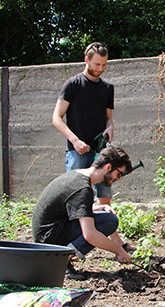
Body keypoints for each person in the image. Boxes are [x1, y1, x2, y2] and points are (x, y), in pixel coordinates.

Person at [32, 146, 134, 279]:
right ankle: (60, 261)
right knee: (109, 222)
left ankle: (61, 257)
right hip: (48, 241)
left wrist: (99, 207)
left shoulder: (77, 176)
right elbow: (90, 235)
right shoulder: (83, 189)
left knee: (107, 218)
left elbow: (72, 208)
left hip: (46, 235)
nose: (118, 179)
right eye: (119, 174)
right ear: (108, 167)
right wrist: (119, 250)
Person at [52, 42, 115, 207]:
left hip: (101, 152)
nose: (100, 68)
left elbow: (109, 118)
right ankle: (78, 232)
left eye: (104, 65)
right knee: (76, 197)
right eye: (97, 64)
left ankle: (105, 231)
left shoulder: (108, 88)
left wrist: (110, 128)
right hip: (77, 152)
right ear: (86, 60)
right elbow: (57, 118)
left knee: (105, 197)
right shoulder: (73, 85)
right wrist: (75, 141)